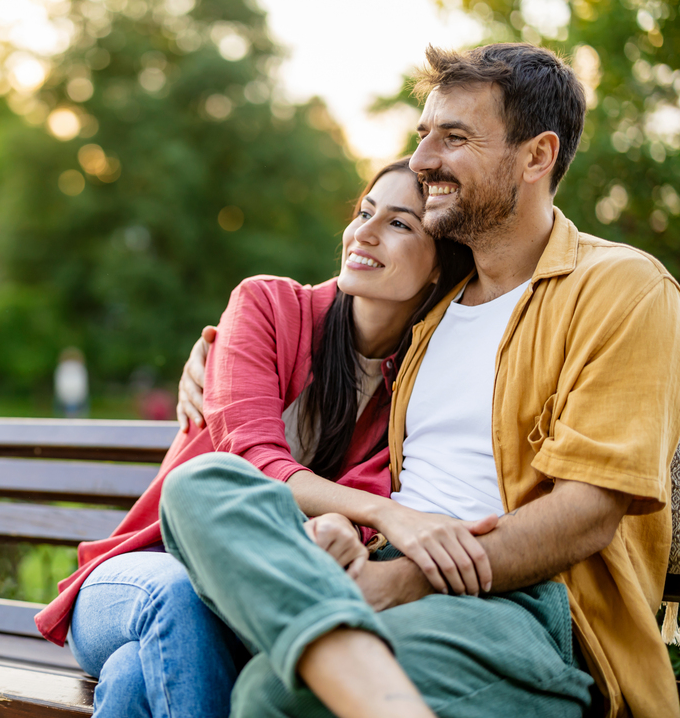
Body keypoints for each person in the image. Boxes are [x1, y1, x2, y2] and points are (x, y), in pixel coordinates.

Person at [165, 43, 680, 718]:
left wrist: (395, 582)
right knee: (200, 485)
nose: (422, 159)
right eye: (423, 135)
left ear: (536, 155)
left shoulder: (621, 287)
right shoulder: (432, 305)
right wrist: (214, 345)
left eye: (454, 137)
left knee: (271, 692)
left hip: (526, 604)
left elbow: (585, 515)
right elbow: (328, 311)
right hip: (380, 560)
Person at [35, 158, 479, 717]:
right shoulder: (268, 306)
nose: (363, 232)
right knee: (178, 599)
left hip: (246, 604)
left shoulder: (422, 387)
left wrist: (344, 524)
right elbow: (247, 455)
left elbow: (356, 521)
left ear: (440, 267)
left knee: (134, 679)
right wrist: (380, 515)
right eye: (364, 211)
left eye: (398, 224)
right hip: (138, 579)